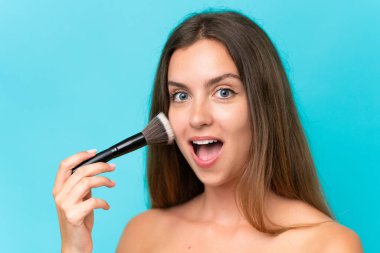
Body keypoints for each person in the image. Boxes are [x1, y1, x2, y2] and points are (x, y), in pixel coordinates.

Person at [53, 10, 363, 252]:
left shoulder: (328, 245)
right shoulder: (142, 233)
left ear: (263, 106)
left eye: (223, 92)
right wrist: (75, 247)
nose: (197, 117)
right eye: (181, 96)